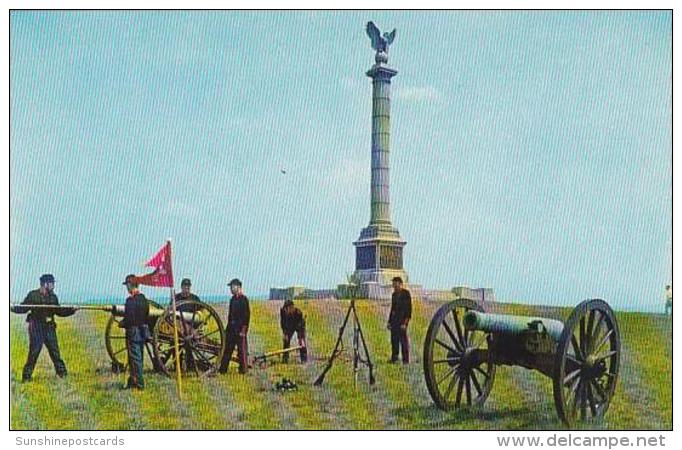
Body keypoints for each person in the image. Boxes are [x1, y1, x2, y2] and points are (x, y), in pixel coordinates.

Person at [11, 274, 75, 382]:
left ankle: (62, 375)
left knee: (55, 353)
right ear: (45, 284)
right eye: (52, 284)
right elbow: (23, 308)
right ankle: (26, 377)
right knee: (34, 353)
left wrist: (72, 310)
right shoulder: (33, 295)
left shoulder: (53, 297)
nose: (53, 286)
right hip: (36, 328)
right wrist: (12, 308)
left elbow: (59, 311)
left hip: (49, 328)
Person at [119, 274, 150, 390]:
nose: (127, 288)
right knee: (138, 357)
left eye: (127, 285)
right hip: (142, 332)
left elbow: (129, 318)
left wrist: (122, 323)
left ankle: (140, 384)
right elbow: (146, 315)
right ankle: (132, 381)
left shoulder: (130, 301)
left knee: (135, 358)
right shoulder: (144, 299)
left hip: (132, 331)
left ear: (130, 285)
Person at [219, 278, 250, 374]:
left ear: (239, 287)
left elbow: (246, 316)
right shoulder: (232, 299)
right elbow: (230, 316)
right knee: (227, 350)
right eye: (231, 287)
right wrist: (227, 330)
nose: (231, 289)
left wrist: (243, 331)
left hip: (240, 330)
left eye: (232, 287)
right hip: (231, 329)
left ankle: (243, 370)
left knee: (242, 351)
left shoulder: (244, 299)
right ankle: (223, 370)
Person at [387, 276, 412, 364]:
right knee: (394, 340)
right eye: (393, 284)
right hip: (394, 321)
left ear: (400, 284)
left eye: (395, 284)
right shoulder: (394, 295)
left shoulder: (406, 294)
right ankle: (394, 358)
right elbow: (392, 309)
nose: (394, 286)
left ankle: (406, 360)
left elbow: (408, 310)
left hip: (402, 321)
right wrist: (389, 322)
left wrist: (405, 323)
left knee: (403, 341)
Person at [280, 299, 308, 363]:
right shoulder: (283, 311)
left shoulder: (299, 313)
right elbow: (283, 323)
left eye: (288, 309)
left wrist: (300, 336)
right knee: (286, 340)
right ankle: (285, 359)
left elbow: (301, 326)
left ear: (292, 307)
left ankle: (304, 359)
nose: (286, 311)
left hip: (299, 324)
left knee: (302, 341)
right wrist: (285, 333)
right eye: (285, 309)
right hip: (289, 325)